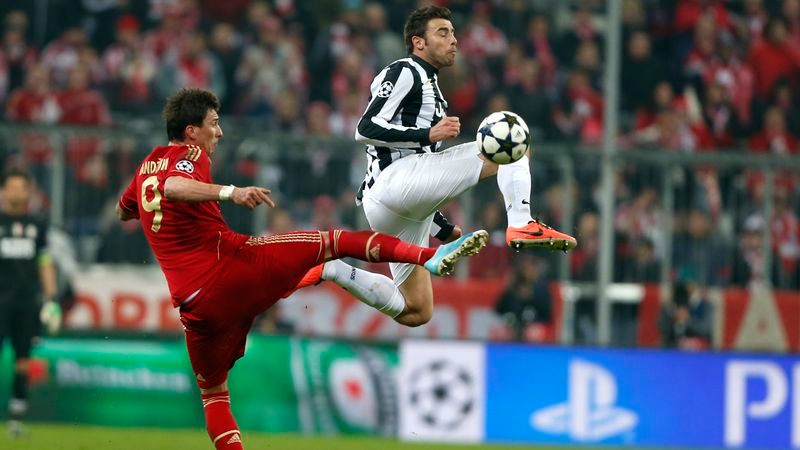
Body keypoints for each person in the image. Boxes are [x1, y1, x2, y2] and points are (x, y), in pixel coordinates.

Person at [115, 88, 487, 449]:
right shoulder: (190, 154)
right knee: (334, 241)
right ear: (191, 131)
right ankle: (428, 257)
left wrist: (148, 215)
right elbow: (174, 186)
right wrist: (231, 192)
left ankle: (327, 272)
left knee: (214, 396)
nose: (220, 132)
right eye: (213, 123)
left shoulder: (146, 166)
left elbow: (124, 210)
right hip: (229, 267)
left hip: (194, 308)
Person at [319, 5, 577, 329]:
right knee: (512, 140)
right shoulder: (406, 70)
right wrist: (428, 134)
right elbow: (365, 128)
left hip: (398, 208)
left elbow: (422, 169)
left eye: (453, 33)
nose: (453, 40)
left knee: (416, 310)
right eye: (442, 33)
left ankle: (333, 269)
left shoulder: (433, 88)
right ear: (418, 42)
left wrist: (442, 228)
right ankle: (521, 221)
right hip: (393, 183)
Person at [0, 169, 60, 437]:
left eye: (21, 188)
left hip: (26, 304)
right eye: (12, 187)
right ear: (3, 192)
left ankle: (15, 419)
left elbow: (44, 262)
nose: (16, 193)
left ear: (28, 193)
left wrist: (51, 297)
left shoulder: (38, 224)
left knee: (23, 362)